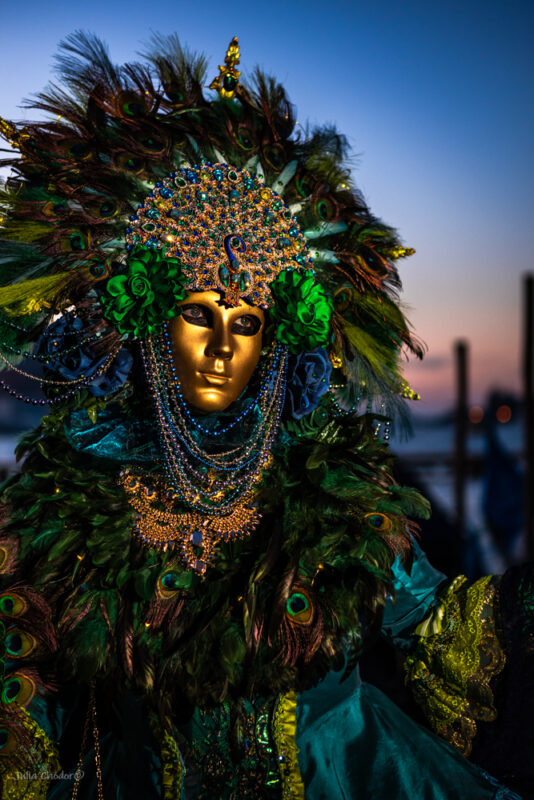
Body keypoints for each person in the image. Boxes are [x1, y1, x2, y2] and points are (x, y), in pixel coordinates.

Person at [0, 32, 531, 799]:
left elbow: (440, 626)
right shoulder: (73, 491)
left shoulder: (337, 486)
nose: (221, 347)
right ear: (150, 320)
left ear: (277, 338)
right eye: (196, 314)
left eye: (246, 322)